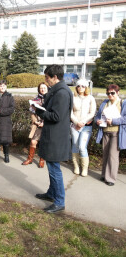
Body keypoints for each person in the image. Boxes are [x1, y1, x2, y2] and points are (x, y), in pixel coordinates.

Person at [34, 65, 73, 214]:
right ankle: (51, 193)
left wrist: (39, 111)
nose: (45, 80)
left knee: (54, 169)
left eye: (47, 77)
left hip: (56, 137)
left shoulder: (61, 93)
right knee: (52, 168)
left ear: (55, 77)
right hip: (53, 135)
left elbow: (56, 116)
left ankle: (59, 201)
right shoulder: (57, 91)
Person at [95, 84, 126, 186]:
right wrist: (98, 121)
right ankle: (104, 175)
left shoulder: (123, 103)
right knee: (105, 154)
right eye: (108, 93)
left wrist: (113, 121)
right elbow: (97, 116)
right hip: (105, 131)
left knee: (113, 156)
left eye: (112, 93)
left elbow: (124, 119)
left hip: (117, 132)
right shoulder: (105, 103)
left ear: (117, 93)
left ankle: (111, 179)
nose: (110, 95)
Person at [70, 79, 96, 176]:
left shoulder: (90, 98)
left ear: (86, 87)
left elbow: (92, 112)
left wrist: (83, 122)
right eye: (78, 86)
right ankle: (76, 166)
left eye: (83, 86)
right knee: (75, 146)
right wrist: (77, 122)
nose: (80, 88)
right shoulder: (73, 97)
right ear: (76, 87)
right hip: (74, 126)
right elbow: (70, 112)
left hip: (86, 127)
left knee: (82, 147)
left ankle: (84, 168)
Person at [22, 82, 48, 168]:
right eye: (41, 88)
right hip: (37, 124)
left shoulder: (51, 100)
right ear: (39, 89)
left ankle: (42, 160)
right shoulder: (35, 100)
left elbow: (52, 113)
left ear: (47, 89)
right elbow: (32, 113)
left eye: (44, 88)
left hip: (47, 124)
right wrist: (35, 121)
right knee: (33, 141)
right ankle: (30, 159)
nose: (43, 89)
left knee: (43, 143)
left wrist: (44, 122)